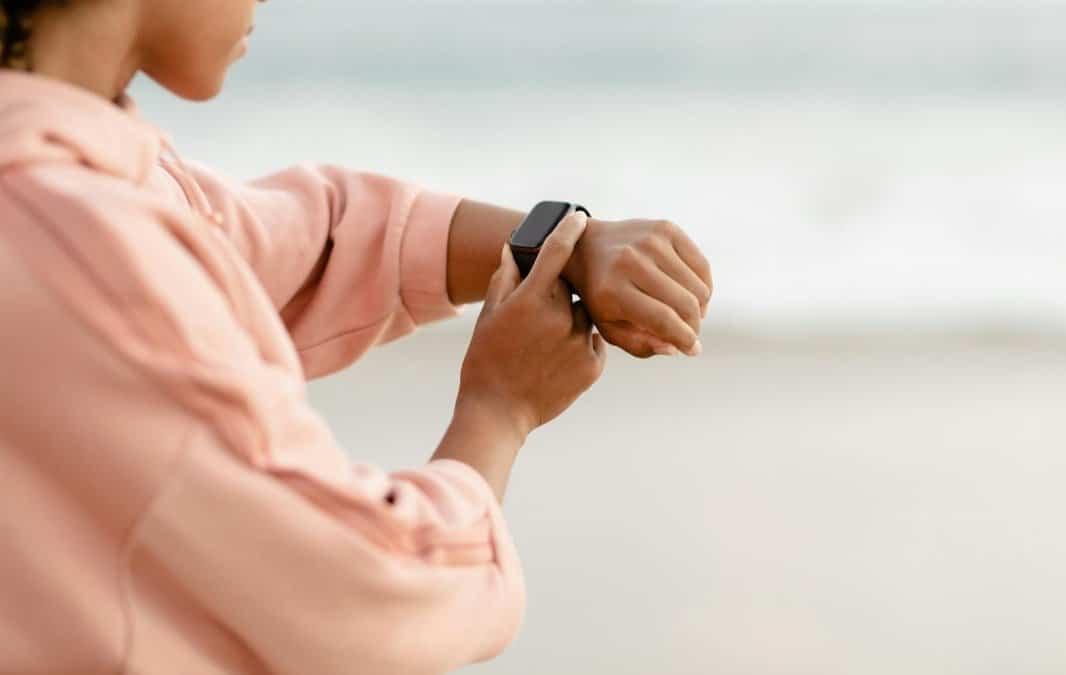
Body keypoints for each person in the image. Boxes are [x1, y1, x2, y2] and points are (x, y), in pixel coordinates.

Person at [0, 1, 713, 673]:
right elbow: (368, 592)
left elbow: (304, 236)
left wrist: (569, 243)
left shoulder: (71, 189)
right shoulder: (87, 250)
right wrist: (499, 410)